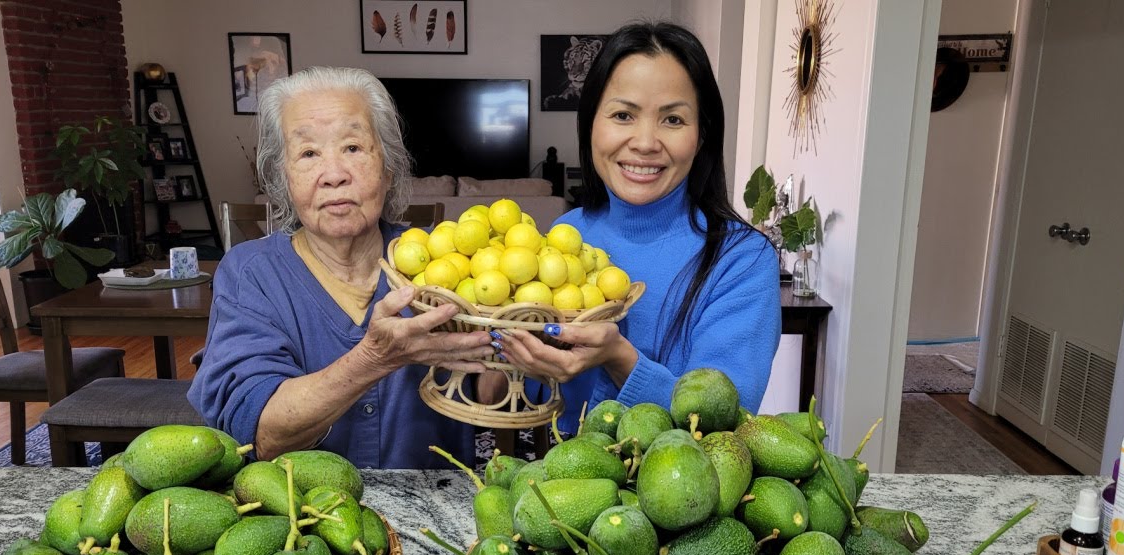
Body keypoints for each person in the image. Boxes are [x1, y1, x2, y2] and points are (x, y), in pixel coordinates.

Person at [188, 66, 493, 468]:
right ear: (285, 178)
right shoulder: (252, 275)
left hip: (430, 511)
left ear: (388, 168)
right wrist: (375, 358)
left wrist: (516, 351)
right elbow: (259, 433)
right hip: (303, 517)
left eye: (352, 148)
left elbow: (488, 392)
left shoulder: (445, 261)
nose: (334, 176)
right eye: (308, 153)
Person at [494, 21, 781, 434]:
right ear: (591, 124)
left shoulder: (741, 260)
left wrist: (618, 358)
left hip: (682, 492)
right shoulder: (565, 236)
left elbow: (724, 422)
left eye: (673, 120)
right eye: (623, 115)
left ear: (701, 136)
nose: (645, 142)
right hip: (564, 485)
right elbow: (544, 402)